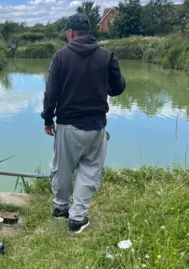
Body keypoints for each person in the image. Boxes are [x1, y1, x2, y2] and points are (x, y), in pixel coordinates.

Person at [41, 13, 126, 233]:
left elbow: (51, 94)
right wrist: (101, 86)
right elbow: (118, 88)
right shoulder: (107, 56)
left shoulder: (60, 57)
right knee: (90, 169)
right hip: (96, 126)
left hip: (67, 125)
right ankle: (77, 218)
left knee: (62, 168)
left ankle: (61, 207)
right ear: (89, 33)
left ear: (70, 33)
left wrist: (48, 119)